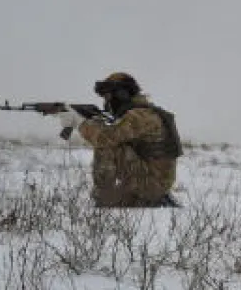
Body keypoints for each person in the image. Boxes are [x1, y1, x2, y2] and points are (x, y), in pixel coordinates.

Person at [56, 72, 182, 208]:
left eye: (108, 96)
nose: (106, 102)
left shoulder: (139, 116)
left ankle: (105, 197)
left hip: (153, 183)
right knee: (110, 142)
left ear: (122, 94)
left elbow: (105, 138)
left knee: (106, 145)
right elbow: (117, 133)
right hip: (156, 180)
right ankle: (152, 198)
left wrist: (79, 123)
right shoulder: (144, 112)